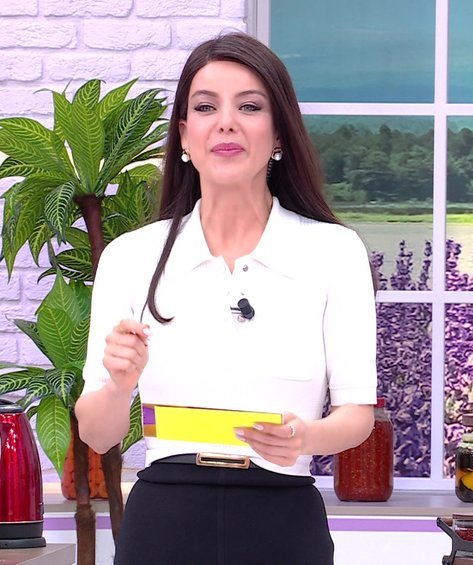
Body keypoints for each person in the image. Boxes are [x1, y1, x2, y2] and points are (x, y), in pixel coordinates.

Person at [74, 32, 377, 565]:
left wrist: (305, 438)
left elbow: (357, 415)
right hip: (163, 522)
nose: (226, 123)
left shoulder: (335, 251)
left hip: (284, 520)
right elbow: (98, 434)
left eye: (250, 106)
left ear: (279, 132)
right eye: (206, 107)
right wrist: (119, 385)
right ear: (184, 136)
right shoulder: (130, 256)